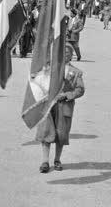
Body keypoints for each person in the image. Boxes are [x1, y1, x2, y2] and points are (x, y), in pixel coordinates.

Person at [35, 44, 85, 173]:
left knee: (61, 134)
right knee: (46, 132)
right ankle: (45, 161)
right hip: (48, 105)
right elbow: (39, 82)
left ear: (71, 56)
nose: (66, 55)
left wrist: (67, 95)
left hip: (64, 106)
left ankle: (57, 160)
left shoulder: (76, 72)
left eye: (69, 53)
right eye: (64, 52)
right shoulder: (49, 69)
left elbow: (80, 89)